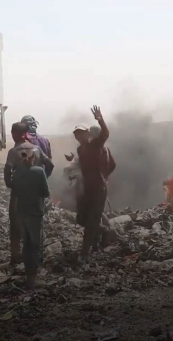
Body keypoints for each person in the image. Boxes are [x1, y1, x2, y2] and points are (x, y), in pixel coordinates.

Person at [4, 122, 53, 266]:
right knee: (37, 225)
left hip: (19, 194)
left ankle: (15, 257)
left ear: (14, 134)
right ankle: (38, 258)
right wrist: (42, 177)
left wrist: (11, 184)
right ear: (26, 134)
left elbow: (7, 170)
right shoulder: (37, 149)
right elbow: (50, 164)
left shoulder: (14, 152)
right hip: (36, 195)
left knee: (16, 226)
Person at [74, 105, 114, 261]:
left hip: (98, 189)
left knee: (91, 221)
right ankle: (103, 231)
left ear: (87, 134)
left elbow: (105, 134)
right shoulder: (80, 150)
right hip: (87, 189)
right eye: (76, 133)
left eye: (81, 133)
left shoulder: (96, 145)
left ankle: (85, 253)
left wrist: (100, 119)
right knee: (82, 219)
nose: (78, 136)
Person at [11, 148, 50, 290]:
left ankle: (28, 276)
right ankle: (32, 280)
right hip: (35, 212)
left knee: (26, 244)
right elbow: (45, 192)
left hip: (21, 212)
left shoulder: (17, 172)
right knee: (34, 245)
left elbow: (14, 192)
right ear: (33, 157)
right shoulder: (39, 171)